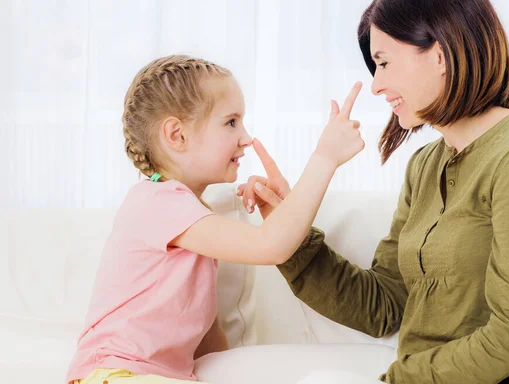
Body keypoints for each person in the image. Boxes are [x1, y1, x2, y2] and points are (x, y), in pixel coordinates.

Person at [238, 0, 509, 382]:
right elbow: (385, 306)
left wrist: (397, 381)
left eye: (384, 63)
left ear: (440, 54)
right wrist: (289, 230)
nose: (376, 85)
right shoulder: (425, 166)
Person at [66, 54, 365, 384]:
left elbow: (209, 338)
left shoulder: (195, 217)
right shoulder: (156, 202)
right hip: (114, 373)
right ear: (177, 135)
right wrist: (325, 158)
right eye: (231, 122)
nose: (246, 137)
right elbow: (271, 246)